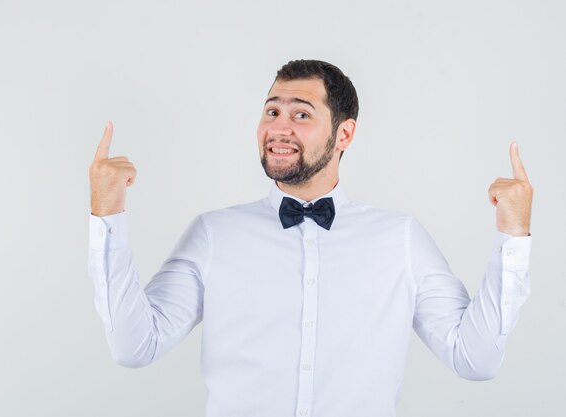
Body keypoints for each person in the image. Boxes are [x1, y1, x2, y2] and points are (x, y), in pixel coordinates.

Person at [88, 60, 533, 417]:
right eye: (272, 111)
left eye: (301, 113)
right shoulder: (214, 234)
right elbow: (134, 346)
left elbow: (474, 360)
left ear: (345, 133)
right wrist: (107, 212)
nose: (279, 128)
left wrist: (512, 236)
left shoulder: (400, 239)